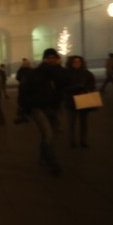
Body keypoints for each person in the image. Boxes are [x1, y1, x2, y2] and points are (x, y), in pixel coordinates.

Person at [18, 48, 69, 176]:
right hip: (38, 107)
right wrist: (24, 107)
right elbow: (24, 89)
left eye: (54, 58)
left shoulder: (60, 72)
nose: (51, 60)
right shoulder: (35, 73)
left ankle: (43, 156)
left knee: (48, 135)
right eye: (49, 58)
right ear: (44, 59)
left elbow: (66, 84)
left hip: (54, 107)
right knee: (48, 134)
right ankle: (53, 163)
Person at [63, 56, 96, 148]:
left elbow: (92, 85)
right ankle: (72, 141)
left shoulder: (87, 73)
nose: (77, 64)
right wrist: (76, 88)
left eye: (79, 62)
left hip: (84, 99)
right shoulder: (66, 74)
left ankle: (83, 141)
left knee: (84, 123)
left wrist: (85, 89)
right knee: (72, 123)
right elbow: (63, 88)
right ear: (71, 63)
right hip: (71, 100)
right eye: (75, 62)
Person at [13, 58, 32, 124]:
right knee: (24, 103)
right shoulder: (31, 70)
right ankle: (25, 116)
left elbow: (17, 77)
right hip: (28, 89)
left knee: (22, 103)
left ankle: (23, 116)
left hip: (23, 89)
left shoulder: (21, 70)